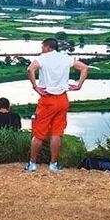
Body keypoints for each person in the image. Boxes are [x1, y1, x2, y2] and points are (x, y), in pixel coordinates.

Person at [24, 38, 89, 173]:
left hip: (47, 99)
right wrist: (79, 85)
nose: (42, 50)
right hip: (63, 99)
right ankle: (53, 164)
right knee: (57, 133)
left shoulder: (42, 58)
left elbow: (30, 69)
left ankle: (32, 164)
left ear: (48, 47)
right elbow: (84, 68)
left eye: (43, 47)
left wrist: (35, 86)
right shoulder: (65, 58)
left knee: (39, 134)